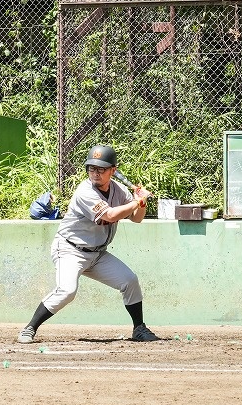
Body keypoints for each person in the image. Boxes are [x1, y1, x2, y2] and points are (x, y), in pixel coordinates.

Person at [17, 144, 159, 343]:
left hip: (97, 254)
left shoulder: (118, 190)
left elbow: (137, 218)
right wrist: (136, 202)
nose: (95, 173)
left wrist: (141, 202)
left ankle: (139, 329)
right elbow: (110, 215)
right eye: (92, 168)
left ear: (113, 171)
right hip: (70, 250)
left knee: (129, 280)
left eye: (101, 169)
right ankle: (30, 328)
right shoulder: (85, 191)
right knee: (67, 291)